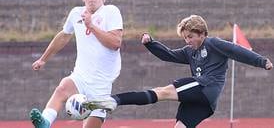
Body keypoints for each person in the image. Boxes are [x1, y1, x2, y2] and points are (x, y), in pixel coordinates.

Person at [83, 15, 273, 128]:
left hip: (205, 88)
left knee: (163, 91)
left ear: (202, 33)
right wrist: (151, 44)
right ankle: (113, 100)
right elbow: (168, 55)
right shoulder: (189, 51)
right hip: (205, 105)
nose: (187, 41)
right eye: (184, 38)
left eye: (190, 37)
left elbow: (237, 52)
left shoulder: (213, 43)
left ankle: (114, 100)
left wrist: (262, 61)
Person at [29, 0, 123, 128]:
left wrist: (91, 26)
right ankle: (45, 122)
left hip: (101, 84)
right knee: (62, 88)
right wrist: (43, 59)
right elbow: (63, 36)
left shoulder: (111, 12)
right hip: (80, 76)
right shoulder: (75, 13)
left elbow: (115, 43)